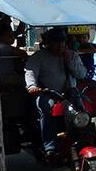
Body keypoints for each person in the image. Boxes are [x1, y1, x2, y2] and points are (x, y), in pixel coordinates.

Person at [25, 27, 87, 155]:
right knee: (47, 108)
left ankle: (87, 138)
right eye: (56, 42)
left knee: (83, 111)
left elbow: (82, 74)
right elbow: (30, 72)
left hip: (70, 93)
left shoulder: (72, 55)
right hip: (47, 93)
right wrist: (32, 86)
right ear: (48, 43)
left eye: (62, 42)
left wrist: (68, 60)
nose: (60, 45)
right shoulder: (39, 56)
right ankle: (50, 146)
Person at [0, 20, 27, 89]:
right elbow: (23, 53)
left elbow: (19, 31)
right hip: (5, 78)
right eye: (9, 36)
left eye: (13, 36)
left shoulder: (1, 45)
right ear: (0, 37)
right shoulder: (1, 46)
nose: (13, 38)